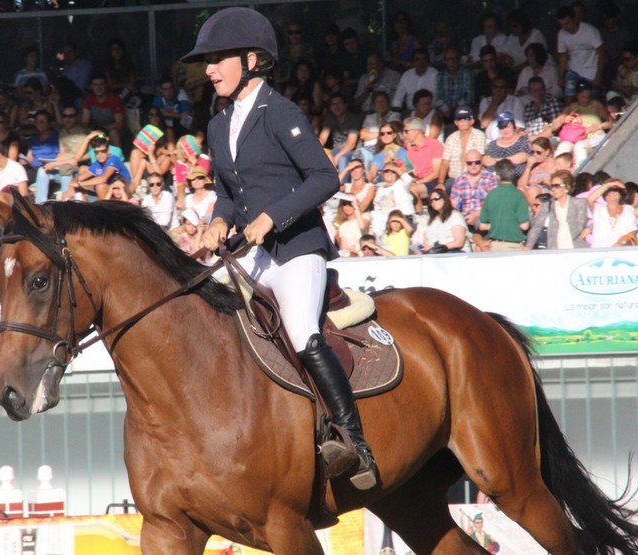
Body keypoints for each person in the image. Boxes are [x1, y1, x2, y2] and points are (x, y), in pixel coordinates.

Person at [187, 7, 377, 489]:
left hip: (297, 247)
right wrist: (215, 224)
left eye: (218, 58)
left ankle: (354, 442)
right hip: (251, 252)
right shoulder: (218, 123)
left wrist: (273, 217)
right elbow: (228, 193)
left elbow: (325, 177)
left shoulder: (281, 111)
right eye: (207, 61)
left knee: (298, 329)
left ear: (252, 60)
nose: (209, 69)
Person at [525, 170, 589, 250]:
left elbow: (591, 221)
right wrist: (529, 245)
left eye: (557, 186)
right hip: (554, 246)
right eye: (552, 186)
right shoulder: (548, 204)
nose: (553, 189)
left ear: (567, 187)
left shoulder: (579, 203)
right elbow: (537, 227)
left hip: (575, 246)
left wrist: (588, 230)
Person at [35, 105, 86, 202]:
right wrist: (51, 162)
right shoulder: (63, 132)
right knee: (42, 170)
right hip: (63, 165)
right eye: (65, 116)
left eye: (71, 116)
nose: (67, 119)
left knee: (65, 171)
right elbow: (62, 154)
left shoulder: (82, 133)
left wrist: (55, 164)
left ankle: (65, 203)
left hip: (75, 170)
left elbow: (76, 160)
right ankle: (40, 204)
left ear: (77, 117)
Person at [478, 159, 530, 251]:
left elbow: (482, 225)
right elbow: (524, 225)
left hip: (494, 246)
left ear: (498, 177)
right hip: (514, 247)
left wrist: (499, 224)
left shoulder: (491, 195)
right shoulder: (518, 194)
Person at [556, 5, 605, 102]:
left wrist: (598, 76)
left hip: (591, 70)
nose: (566, 27)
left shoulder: (590, 31)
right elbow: (563, 57)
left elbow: (601, 53)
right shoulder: (561, 34)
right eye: (562, 25)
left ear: (574, 18)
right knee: (568, 98)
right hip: (574, 70)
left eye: (567, 23)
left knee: (589, 100)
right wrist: (561, 77)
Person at [63, 134, 129, 200]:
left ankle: (102, 208)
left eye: (102, 151)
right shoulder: (97, 163)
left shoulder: (113, 159)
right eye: (97, 152)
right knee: (66, 194)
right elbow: (79, 178)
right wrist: (72, 185)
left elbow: (103, 178)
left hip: (123, 190)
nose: (100, 155)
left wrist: (80, 184)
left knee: (100, 186)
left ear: (108, 151)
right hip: (110, 190)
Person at [450, 148, 499, 230]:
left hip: (484, 217)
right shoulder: (459, 180)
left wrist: (475, 215)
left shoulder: (490, 178)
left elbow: (493, 204)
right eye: (470, 163)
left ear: (481, 162)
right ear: (466, 164)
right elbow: (454, 202)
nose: (473, 165)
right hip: (464, 217)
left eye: (477, 162)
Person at [438, 106, 487, 189]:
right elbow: (445, 162)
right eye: (459, 119)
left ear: (472, 121)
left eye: (466, 118)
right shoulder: (451, 138)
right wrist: (440, 183)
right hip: (454, 180)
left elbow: (480, 159)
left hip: (474, 178)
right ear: (456, 122)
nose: (463, 121)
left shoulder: (479, 135)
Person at [586, 178, 637, 247]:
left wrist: (620, 243)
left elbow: (632, 231)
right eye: (609, 191)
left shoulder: (628, 209)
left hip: (621, 251)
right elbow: (590, 199)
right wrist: (608, 185)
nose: (612, 193)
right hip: (599, 252)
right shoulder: (598, 209)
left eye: (616, 191)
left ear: (621, 194)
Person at [318, 93, 361, 172]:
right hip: (336, 150)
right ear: (330, 107)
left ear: (345, 105)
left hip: (351, 151)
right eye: (334, 104)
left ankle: (341, 183)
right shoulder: (330, 118)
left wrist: (337, 157)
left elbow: (351, 144)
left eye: (339, 103)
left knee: (342, 158)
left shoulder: (353, 118)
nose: (337, 107)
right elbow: (322, 138)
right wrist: (316, 149)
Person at [82, 71, 125, 149]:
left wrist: (100, 129)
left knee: (113, 132)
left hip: (111, 129)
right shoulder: (88, 99)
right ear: (91, 86)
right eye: (95, 85)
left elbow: (119, 123)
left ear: (106, 85)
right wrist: (92, 131)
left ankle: (117, 157)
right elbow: (85, 122)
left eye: (101, 84)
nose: (99, 88)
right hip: (95, 130)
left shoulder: (114, 99)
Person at [417, 187, 469, 253]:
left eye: (436, 198)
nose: (433, 202)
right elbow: (425, 240)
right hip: (434, 253)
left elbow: (458, 242)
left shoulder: (455, 216)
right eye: (431, 201)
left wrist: (438, 248)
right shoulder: (431, 220)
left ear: (444, 198)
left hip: (453, 252)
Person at [403, 117, 443, 200]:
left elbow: (436, 173)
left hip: (432, 181)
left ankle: (419, 212)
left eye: (406, 131)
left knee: (412, 190)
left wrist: (418, 182)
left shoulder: (434, 144)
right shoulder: (410, 150)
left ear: (417, 131)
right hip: (417, 180)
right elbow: (412, 171)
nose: (404, 134)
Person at [482, 111, 531, 178]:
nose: (505, 130)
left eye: (507, 126)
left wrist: (496, 160)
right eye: (502, 127)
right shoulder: (492, 145)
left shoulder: (523, 141)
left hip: (515, 179)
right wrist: (510, 159)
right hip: (492, 179)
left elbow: (522, 157)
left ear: (513, 125)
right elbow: (486, 161)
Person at [390, 48, 438, 115]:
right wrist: (395, 116)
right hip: (411, 112)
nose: (421, 62)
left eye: (424, 59)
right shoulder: (407, 75)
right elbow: (398, 98)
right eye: (417, 59)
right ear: (413, 62)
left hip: (430, 111)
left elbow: (439, 97)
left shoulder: (435, 74)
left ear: (428, 61)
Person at [479, 77, 525, 142]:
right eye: (495, 87)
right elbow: (484, 123)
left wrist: (506, 142)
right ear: (492, 88)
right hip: (489, 142)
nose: (498, 90)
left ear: (507, 89)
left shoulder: (516, 102)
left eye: (501, 88)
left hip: (510, 141)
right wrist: (494, 103)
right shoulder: (485, 101)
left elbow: (519, 127)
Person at [435, 47, 475, 120]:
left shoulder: (467, 73)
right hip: (445, 111)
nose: (452, 61)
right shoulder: (440, 75)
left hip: (462, 108)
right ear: (445, 61)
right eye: (449, 59)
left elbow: (470, 97)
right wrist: (445, 109)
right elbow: (437, 97)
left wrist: (454, 106)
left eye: (454, 58)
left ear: (458, 59)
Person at [518, 137, 556, 205]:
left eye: (538, 152)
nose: (535, 155)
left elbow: (561, 185)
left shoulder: (555, 165)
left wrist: (545, 182)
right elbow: (521, 185)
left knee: (532, 190)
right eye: (533, 152)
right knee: (520, 190)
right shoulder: (533, 166)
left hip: (546, 193)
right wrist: (528, 167)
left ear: (547, 152)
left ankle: (535, 212)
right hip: (530, 192)